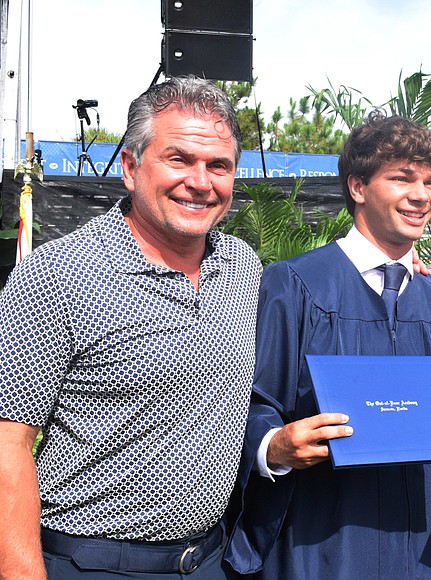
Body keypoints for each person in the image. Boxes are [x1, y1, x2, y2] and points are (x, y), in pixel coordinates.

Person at [0, 76, 262, 579]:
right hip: (90, 562)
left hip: (210, 560)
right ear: (130, 168)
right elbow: (7, 441)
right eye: (179, 159)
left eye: (219, 166)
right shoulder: (59, 275)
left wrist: (398, 269)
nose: (201, 182)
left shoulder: (240, 267)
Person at [224, 110, 431, 579]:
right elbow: (256, 401)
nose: (421, 196)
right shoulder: (295, 285)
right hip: (324, 539)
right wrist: (273, 446)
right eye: (402, 178)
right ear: (358, 187)